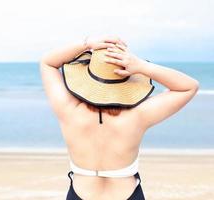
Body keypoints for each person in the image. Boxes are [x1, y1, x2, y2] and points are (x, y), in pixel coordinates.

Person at [39, 36, 199, 200]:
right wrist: (143, 66)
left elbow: (47, 63)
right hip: (127, 194)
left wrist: (86, 44)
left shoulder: (68, 109)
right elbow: (189, 87)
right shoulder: (138, 115)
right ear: (126, 76)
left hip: (81, 193)